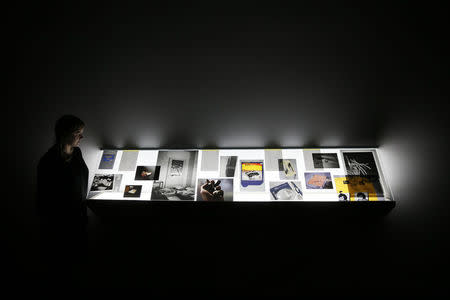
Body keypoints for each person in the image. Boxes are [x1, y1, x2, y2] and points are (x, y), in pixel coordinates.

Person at [36, 115, 89, 290]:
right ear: (64, 133)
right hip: (59, 224)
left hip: (78, 218)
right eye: (77, 133)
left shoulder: (78, 154)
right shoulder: (48, 162)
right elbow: (44, 198)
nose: (81, 137)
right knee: (62, 269)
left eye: (81, 133)